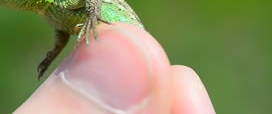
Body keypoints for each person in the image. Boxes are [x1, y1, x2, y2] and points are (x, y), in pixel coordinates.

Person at [15, 23, 215, 113]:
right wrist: (55, 51)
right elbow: (63, 26)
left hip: (135, 48)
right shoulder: (53, 9)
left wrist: (93, 15)